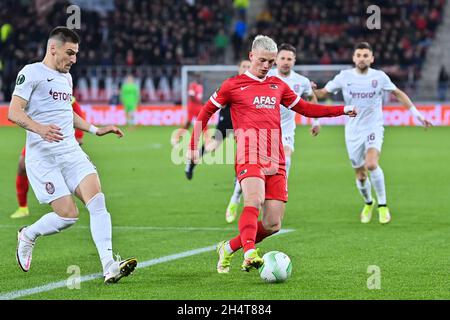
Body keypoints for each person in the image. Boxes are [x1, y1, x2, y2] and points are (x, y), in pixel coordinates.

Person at [187, 35, 357, 273]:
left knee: (273, 223)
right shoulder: (232, 85)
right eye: (262, 61)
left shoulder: (278, 86)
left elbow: (306, 108)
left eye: (270, 62)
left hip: (275, 156)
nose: (266, 66)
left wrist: (343, 109)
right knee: (253, 200)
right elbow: (205, 113)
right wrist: (194, 145)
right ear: (251, 57)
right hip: (249, 152)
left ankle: (228, 248)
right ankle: (249, 253)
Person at [8, 26, 137, 284]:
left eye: (76, 54)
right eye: (70, 53)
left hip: (71, 151)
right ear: (52, 48)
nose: (74, 59)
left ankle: (109, 265)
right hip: (43, 157)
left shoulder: (66, 78)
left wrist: (95, 129)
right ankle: (29, 234)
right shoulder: (31, 73)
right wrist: (40, 128)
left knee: (97, 201)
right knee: (68, 216)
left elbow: (67, 113)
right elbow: (14, 111)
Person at [313, 42, 432, 224]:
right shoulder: (344, 76)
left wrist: (417, 115)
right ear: (353, 58)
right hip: (352, 131)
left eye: (365, 55)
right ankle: (368, 202)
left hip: (373, 128)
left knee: (371, 164)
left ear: (372, 58)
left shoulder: (379, 77)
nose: (362, 58)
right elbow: (322, 93)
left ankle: (383, 206)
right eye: (359, 55)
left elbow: (398, 94)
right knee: (360, 175)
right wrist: (309, 88)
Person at [224, 43, 321, 223]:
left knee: (286, 158)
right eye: (282, 58)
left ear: (294, 61)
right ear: (276, 60)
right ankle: (235, 197)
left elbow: (310, 97)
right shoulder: (266, 76)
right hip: (262, 130)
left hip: (285, 129)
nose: (285, 62)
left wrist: (315, 122)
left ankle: (277, 191)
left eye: (289, 59)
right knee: (254, 168)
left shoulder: (302, 81)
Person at [10, 97, 85, 219]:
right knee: (22, 166)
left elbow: (75, 108)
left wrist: (79, 135)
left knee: (67, 170)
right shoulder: (27, 89)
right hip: (37, 138)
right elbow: (16, 112)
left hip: (59, 137)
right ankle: (22, 208)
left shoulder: (54, 85)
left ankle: (91, 201)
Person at [184, 59, 250, 184]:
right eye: (244, 66)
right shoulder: (231, 82)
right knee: (213, 146)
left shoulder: (254, 83)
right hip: (227, 117)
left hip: (243, 120)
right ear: (239, 68)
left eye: (248, 66)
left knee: (245, 147)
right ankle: (191, 163)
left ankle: (239, 176)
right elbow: (220, 97)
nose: (246, 68)